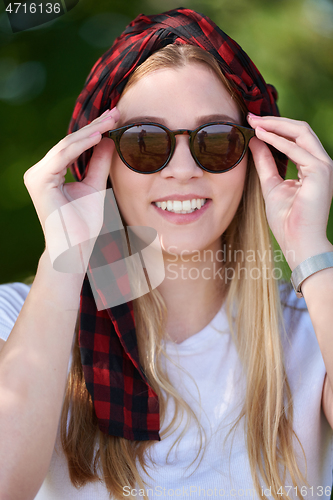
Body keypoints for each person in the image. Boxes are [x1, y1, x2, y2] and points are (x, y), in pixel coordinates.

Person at [0, 7, 333, 500]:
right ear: (99, 159)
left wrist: (311, 250)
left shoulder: (316, 330)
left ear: (253, 158)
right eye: (144, 141)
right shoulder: (16, 320)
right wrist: (63, 257)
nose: (181, 171)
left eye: (216, 140)